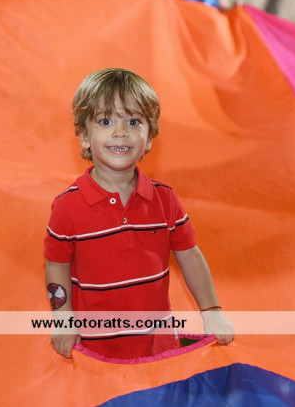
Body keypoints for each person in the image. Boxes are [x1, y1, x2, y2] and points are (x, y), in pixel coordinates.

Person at [44, 68, 234, 359]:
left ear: (149, 138)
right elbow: (56, 265)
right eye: (105, 121)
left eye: (133, 121)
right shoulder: (67, 205)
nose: (120, 132)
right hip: (97, 349)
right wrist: (63, 320)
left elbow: (190, 256)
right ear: (84, 136)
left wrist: (212, 312)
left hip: (159, 346)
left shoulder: (164, 198)